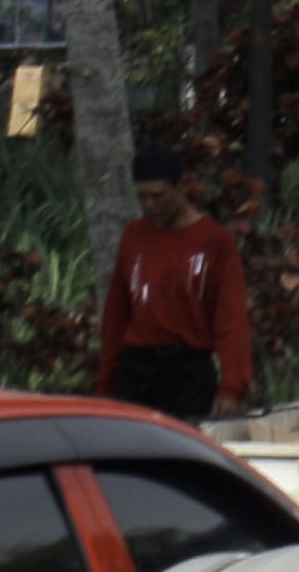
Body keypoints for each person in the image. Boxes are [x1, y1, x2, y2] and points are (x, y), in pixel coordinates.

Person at [100, 142, 253, 420]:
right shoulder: (134, 236)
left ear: (181, 186)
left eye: (158, 196)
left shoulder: (214, 241)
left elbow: (230, 319)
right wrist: (106, 384)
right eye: (142, 197)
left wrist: (233, 386)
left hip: (188, 371)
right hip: (136, 370)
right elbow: (117, 317)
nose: (150, 206)